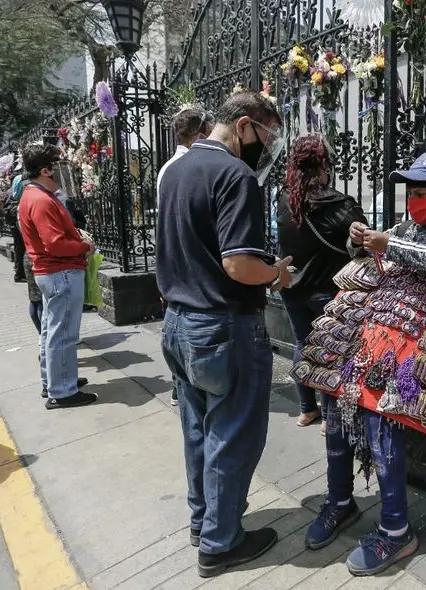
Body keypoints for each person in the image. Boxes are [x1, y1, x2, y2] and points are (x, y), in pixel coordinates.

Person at [304, 151, 426, 576]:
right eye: (409, 191)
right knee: (336, 397)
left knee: (380, 412)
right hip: (386, 325)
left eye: (422, 192)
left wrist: (389, 243)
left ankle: (395, 531)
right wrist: (361, 238)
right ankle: (340, 501)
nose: (413, 200)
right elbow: (382, 247)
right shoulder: (408, 226)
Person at [155, 90, 290, 578]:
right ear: (246, 125)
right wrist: (275, 272)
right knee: (232, 434)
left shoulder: (177, 171)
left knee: (199, 430)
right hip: (223, 326)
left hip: (179, 322)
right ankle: (220, 541)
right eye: (269, 136)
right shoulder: (235, 175)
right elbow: (238, 264)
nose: (269, 149)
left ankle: (203, 521)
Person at [276, 135, 367, 428]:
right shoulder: (340, 204)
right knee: (332, 350)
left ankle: (306, 408)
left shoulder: (285, 200)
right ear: (324, 165)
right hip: (328, 292)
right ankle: (329, 417)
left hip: (292, 287)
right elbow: (363, 247)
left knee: (303, 344)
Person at [18, 144, 96, 409]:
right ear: (45, 170)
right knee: (62, 333)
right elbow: (55, 244)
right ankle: (62, 390)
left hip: (53, 272)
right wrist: (85, 247)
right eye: (57, 166)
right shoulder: (40, 200)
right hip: (59, 272)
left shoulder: (35, 196)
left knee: (53, 331)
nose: (63, 172)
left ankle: (56, 380)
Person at [156, 107, 215, 406]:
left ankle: (183, 387)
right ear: (202, 133)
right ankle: (184, 387)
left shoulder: (169, 167)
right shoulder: (190, 167)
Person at [2, 171, 28, 282]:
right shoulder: (20, 193)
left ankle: (19, 271)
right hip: (19, 224)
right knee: (22, 249)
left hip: (13, 224)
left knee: (19, 249)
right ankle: (20, 273)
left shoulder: (8, 192)